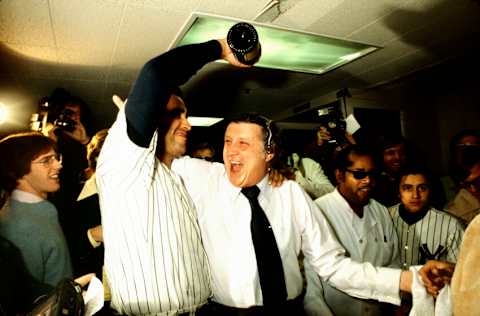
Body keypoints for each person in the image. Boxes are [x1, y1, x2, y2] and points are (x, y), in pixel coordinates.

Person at [171, 117, 450, 315]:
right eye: (228, 141)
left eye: (243, 143)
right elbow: (149, 155)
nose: (231, 150)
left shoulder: (291, 193)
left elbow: (333, 265)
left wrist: (408, 280)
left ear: (269, 153)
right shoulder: (203, 179)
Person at [96, 39, 248, 315]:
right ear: (152, 115)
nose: (187, 124)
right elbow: (156, 73)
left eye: (186, 115)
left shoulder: (173, 177)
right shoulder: (123, 168)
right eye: (176, 114)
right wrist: (221, 48)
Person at [303, 145, 400, 316]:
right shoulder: (318, 212)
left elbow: (394, 263)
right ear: (339, 175)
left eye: (373, 174)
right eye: (359, 174)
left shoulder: (381, 211)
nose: (368, 181)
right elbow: (312, 289)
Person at [0, 132, 72, 286]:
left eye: (56, 158)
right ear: (18, 171)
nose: (59, 165)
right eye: (46, 161)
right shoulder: (18, 227)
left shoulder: (40, 209)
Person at [389, 164, 464, 268]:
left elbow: (461, 271)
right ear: (398, 192)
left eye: (422, 188)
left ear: (430, 190)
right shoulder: (384, 217)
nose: (415, 195)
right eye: (408, 188)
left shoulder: (451, 225)